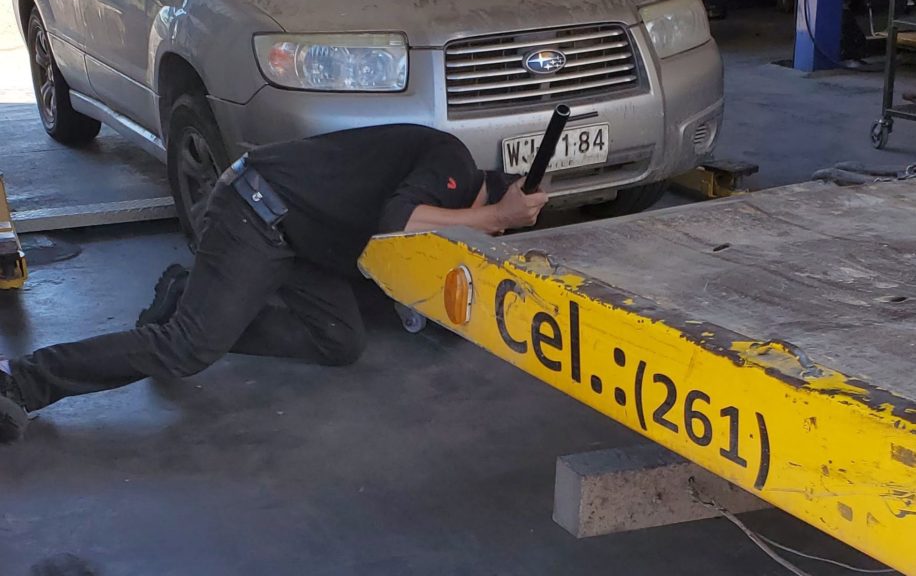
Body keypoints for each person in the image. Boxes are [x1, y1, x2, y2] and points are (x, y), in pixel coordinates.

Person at [0, 124, 548, 443]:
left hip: (303, 238)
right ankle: (21, 383)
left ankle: (183, 299)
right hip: (256, 207)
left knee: (340, 341)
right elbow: (396, 222)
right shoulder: (454, 163)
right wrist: (495, 217)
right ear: (488, 190)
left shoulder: (452, 201)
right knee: (188, 349)